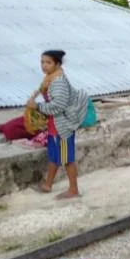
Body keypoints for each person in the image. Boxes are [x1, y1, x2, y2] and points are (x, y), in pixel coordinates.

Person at [28, 50, 89, 199]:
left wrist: (38, 107)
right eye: (42, 62)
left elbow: (58, 106)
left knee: (67, 159)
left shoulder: (58, 82)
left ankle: (73, 190)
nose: (44, 65)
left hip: (63, 127)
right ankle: (47, 185)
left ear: (57, 64)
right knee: (54, 156)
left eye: (48, 62)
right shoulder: (50, 78)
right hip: (54, 125)